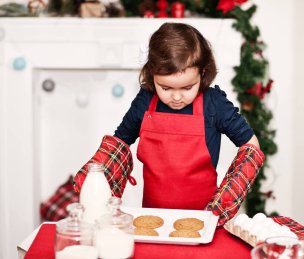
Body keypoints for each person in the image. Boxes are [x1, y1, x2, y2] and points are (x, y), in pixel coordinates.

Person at [73, 22, 265, 226]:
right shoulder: (145, 101)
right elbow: (118, 146)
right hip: (152, 220)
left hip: (205, 220)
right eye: (165, 87)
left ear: (202, 72)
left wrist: (229, 195)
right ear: (151, 75)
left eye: (187, 88)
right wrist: (95, 183)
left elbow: (251, 145)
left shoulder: (214, 104)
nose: (176, 96)